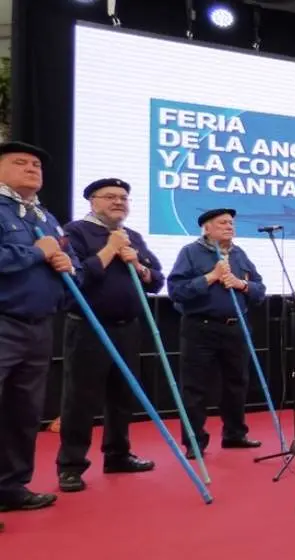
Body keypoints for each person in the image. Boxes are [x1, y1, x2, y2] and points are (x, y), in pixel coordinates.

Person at [56, 178, 164, 493]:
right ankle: (71, 466)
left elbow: (156, 279)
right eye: (111, 197)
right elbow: (75, 277)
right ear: (92, 201)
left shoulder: (134, 237)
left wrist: (139, 266)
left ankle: (117, 454)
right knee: (80, 399)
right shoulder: (74, 232)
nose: (119, 202)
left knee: (122, 396)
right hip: (89, 327)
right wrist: (110, 250)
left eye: (124, 197)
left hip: (127, 327)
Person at [0, 141, 80, 512]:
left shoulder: (45, 217)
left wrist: (69, 264)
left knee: (24, 411)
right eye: (21, 162)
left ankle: (11, 487)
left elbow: (69, 257)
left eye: (37, 164)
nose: (33, 168)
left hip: (39, 325)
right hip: (3, 321)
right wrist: (38, 252)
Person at [167, 208, 267, 458]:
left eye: (231, 222)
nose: (229, 226)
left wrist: (241, 284)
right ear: (207, 228)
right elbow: (176, 291)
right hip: (200, 328)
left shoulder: (239, 254)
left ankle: (235, 434)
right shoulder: (190, 253)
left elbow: (260, 290)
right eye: (222, 223)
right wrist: (210, 277)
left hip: (236, 326)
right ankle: (194, 442)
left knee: (236, 384)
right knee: (195, 387)